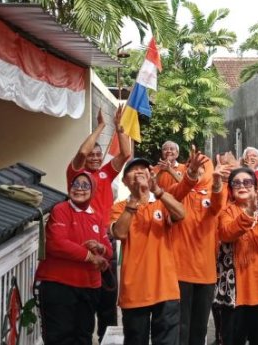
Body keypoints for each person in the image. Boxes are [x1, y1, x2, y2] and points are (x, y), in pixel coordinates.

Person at [66, 106, 132, 342]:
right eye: (91, 155)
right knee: (82, 299)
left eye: (98, 154)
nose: (94, 157)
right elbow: (82, 152)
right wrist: (101, 127)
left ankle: (108, 339)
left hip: (105, 241)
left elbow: (125, 154)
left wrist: (119, 128)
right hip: (81, 243)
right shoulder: (75, 175)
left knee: (107, 300)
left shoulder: (105, 173)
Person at [110, 158, 186, 345]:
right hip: (135, 290)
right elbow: (119, 232)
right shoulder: (119, 208)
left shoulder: (161, 202)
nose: (138, 172)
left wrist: (157, 191)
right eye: (133, 170)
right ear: (125, 182)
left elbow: (181, 214)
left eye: (143, 168)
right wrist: (134, 200)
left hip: (165, 288)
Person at [36, 173, 113, 345]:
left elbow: (109, 251)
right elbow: (56, 244)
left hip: (89, 287)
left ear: (93, 191)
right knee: (60, 337)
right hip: (59, 285)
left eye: (85, 185)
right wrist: (90, 257)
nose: (79, 188)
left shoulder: (97, 217)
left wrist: (100, 248)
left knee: (83, 337)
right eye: (75, 184)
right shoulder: (61, 209)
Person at [214, 167, 258, 345]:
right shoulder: (227, 212)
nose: (242, 186)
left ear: (256, 187)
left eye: (247, 182)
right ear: (230, 189)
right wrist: (249, 212)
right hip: (236, 297)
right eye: (236, 183)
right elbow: (226, 233)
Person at [167, 147, 226, 345]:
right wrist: (190, 175)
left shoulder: (214, 194)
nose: (199, 174)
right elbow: (178, 192)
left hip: (206, 273)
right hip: (181, 272)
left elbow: (218, 206)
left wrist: (218, 184)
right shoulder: (179, 194)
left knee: (200, 328)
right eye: (194, 170)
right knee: (181, 326)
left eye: (203, 170)